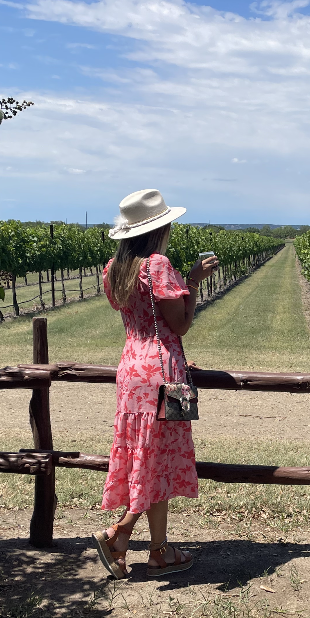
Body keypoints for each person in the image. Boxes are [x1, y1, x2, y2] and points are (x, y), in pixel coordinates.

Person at [94, 189, 217, 578]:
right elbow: (179, 324)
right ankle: (120, 534)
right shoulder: (159, 265)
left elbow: (146, 326)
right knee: (158, 458)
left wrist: (173, 349)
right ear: (160, 227)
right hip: (166, 375)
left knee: (148, 458)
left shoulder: (115, 268)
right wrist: (193, 282)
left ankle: (159, 551)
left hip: (132, 370)